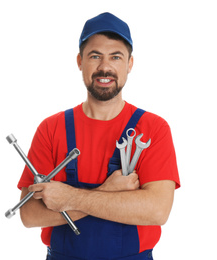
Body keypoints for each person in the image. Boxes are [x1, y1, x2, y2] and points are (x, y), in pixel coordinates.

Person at [18, 12, 180, 260]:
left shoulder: (153, 127)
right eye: (95, 56)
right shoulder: (51, 129)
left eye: (116, 57)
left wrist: (68, 198)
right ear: (80, 61)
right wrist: (108, 191)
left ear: (130, 64)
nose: (105, 67)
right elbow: (29, 215)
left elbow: (157, 210)